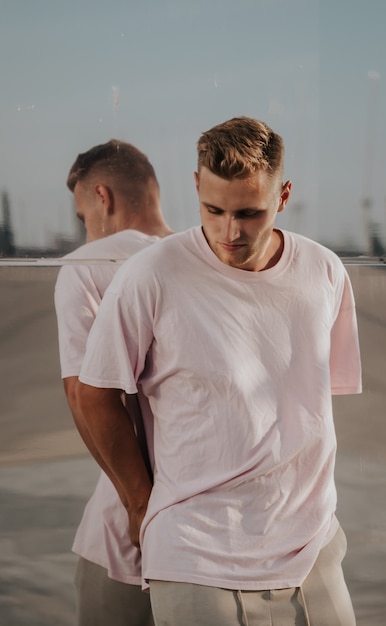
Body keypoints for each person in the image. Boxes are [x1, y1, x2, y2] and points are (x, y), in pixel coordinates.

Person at [76, 117, 362, 626]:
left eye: (250, 213)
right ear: (194, 187)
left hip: (310, 541)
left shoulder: (324, 271)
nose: (230, 232)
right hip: (193, 548)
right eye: (213, 210)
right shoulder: (150, 275)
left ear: (284, 195)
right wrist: (141, 507)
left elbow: (308, 402)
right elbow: (95, 393)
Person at [54, 139, 173, 626]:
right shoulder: (204, 256)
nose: (87, 229)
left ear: (102, 197)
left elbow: (84, 395)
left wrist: (139, 507)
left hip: (128, 534)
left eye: (84, 215)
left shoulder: (89, 264)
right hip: (211, 538)